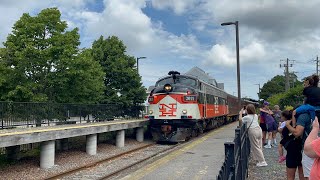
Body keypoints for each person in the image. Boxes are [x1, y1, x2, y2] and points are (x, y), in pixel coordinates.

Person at [286, 74, 320, 179]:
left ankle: (294, 123)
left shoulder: (307, 90)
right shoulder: (318, 89)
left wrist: (290, 124)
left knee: (294, 111)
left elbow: (306, 98)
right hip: (318, 108)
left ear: (308, 83)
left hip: (310, 107)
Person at [280, 110, 304, 180]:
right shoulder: (304, 124)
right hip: (302, 152)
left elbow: (284, 137)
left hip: (291, 153)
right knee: (302, 176)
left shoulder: (287, 124)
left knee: (290, 177)